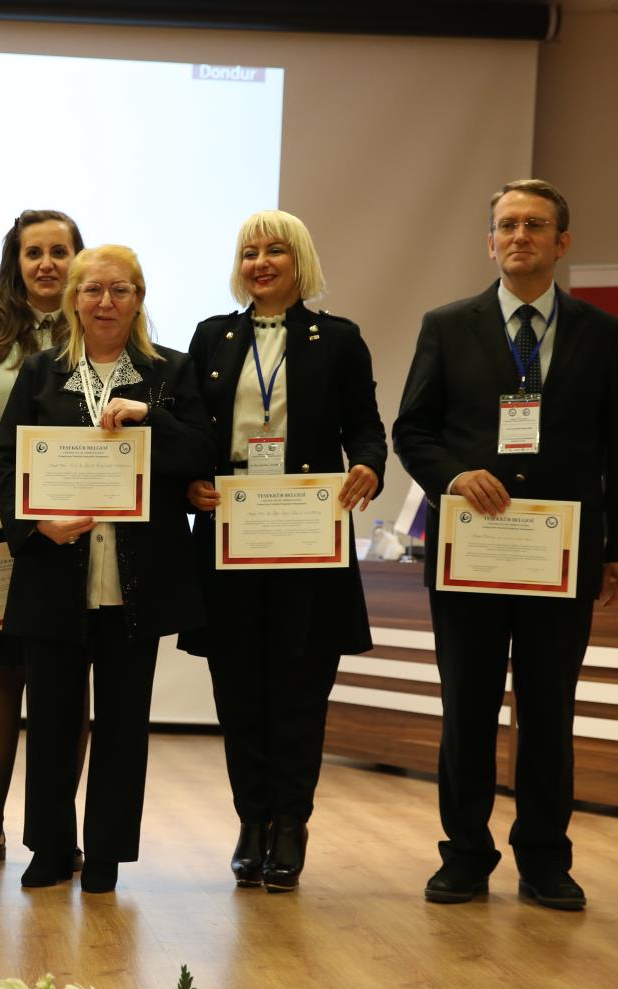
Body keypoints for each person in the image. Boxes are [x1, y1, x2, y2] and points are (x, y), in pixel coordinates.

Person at [393, 179, 618, 910]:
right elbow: (413, 430)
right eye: (507, 225)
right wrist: (453, 475)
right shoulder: (448, 325)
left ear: (562, 242)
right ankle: (464, 855)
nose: (519, 236)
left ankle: (545, 858)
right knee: (467, 708)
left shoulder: (602, 332)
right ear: (490, 242)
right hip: (471, 550)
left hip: (560, 553)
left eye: (535, 225)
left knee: (548, 711)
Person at [0, 245, 214, 894]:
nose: (105, 302)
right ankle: (50, 846)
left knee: (123, 724)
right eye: (92, 290)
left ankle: (107, 855)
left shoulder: (170, 371)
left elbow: (201, 453)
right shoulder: (41, 371)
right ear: (74, 301)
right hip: (55, 572)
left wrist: (151, 417)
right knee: (52, 721)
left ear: (138, 299)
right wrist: (35, 524)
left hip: (137, 578)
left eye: (120, 290)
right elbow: (5, 459)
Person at [181, 210, 386, 892]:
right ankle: (252, 821)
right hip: (231, 533)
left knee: (300, 690)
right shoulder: (212, 336)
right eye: (249, 253)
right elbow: (191, 430)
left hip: (307, 534)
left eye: (275, 251)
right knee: (239, 691)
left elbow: (365, 426)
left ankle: (291, 823)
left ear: (300, 261)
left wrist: (368, 464)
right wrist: (190, 482)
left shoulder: (339, 338)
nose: (260, 262)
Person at [0, 210, 92, 872]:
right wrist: (10, 511)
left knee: (65, 680)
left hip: (74, 532)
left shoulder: (100, 329)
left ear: (77, 259)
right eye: (33, 252)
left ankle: (59, 833)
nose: (47, 264)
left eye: (59, 251)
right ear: (16, 262)